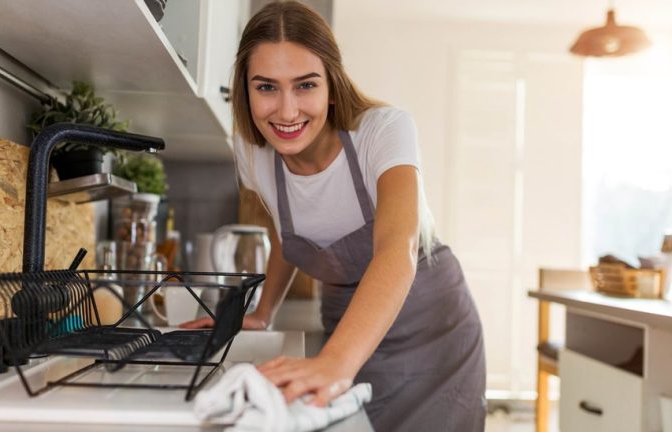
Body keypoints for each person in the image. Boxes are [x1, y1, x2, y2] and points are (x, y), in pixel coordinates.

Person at [181, 1, 486, 430]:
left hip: (431, 326)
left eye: (305, 85)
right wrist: (263, 310)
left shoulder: (383, 131)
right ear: (245, 88)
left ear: (332, 82)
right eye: (266, 87)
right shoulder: (253, 154)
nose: (286, 112)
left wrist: (336, 361)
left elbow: (398, 249)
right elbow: (290, 233)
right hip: (346, 321)